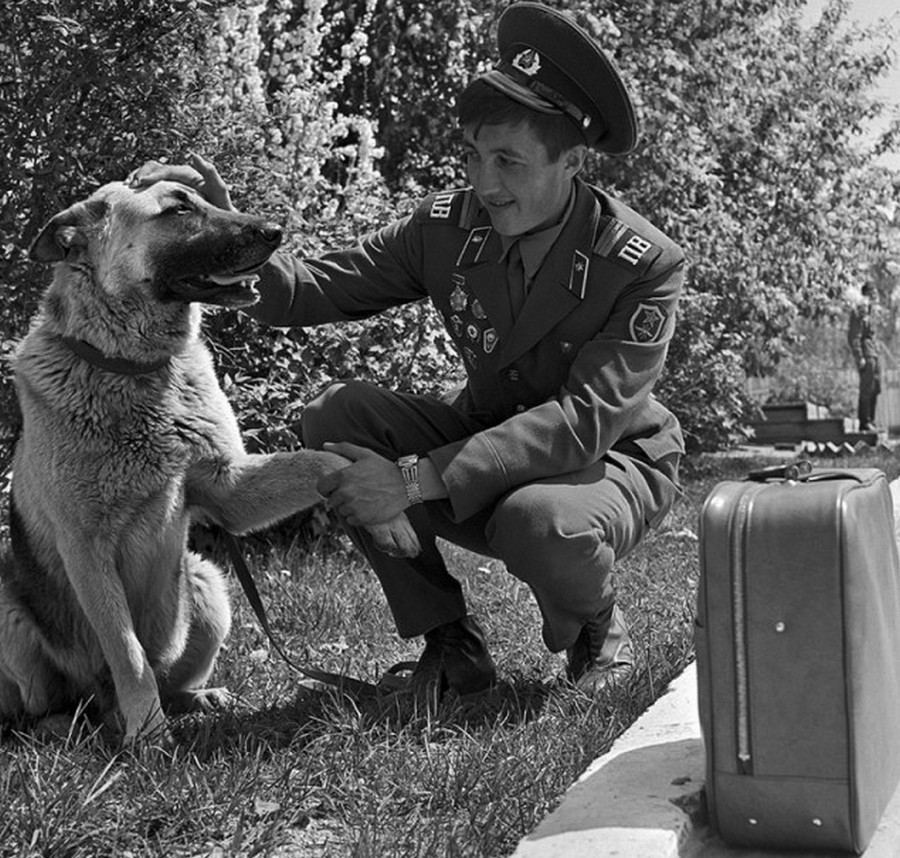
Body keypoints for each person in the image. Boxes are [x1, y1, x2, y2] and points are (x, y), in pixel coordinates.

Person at [135, 1, 686, 700]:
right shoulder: (448, 228)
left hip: (609, 461)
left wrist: (413, 480)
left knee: (537, 521)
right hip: (484, 445)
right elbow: (312, 289)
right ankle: (450, 642)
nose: (486, 184)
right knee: (339, 416)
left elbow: (585, 420)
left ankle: (597, 627)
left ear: (572, 161)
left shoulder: (641, 263)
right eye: (476, 156)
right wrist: (225, 232)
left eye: (509, 161)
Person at [847, 282, 881, 432]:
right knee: (866, 388)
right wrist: (859, 356)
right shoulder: (858, 311)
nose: (875, 296)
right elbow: (854, 336)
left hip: (875, 354)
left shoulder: (872, 312)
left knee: (876, 387)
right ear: (865, 294)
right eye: (872, 293)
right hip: (866, 354)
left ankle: (871, 421)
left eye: (875, 293)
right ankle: (864, 422)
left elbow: (873, 335)